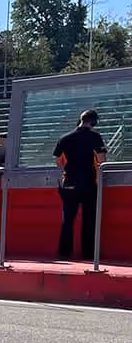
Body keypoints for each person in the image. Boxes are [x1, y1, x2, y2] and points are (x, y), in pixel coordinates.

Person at [53, 109, 108, 261]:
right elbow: (102, 159)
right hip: (89, 183)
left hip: (69, 183)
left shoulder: (65, 137)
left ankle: (64, 252)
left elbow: (58, 160)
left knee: (68, 219)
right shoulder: (95, 136)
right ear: (94, 122)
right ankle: (89, 253)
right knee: (89, 219)